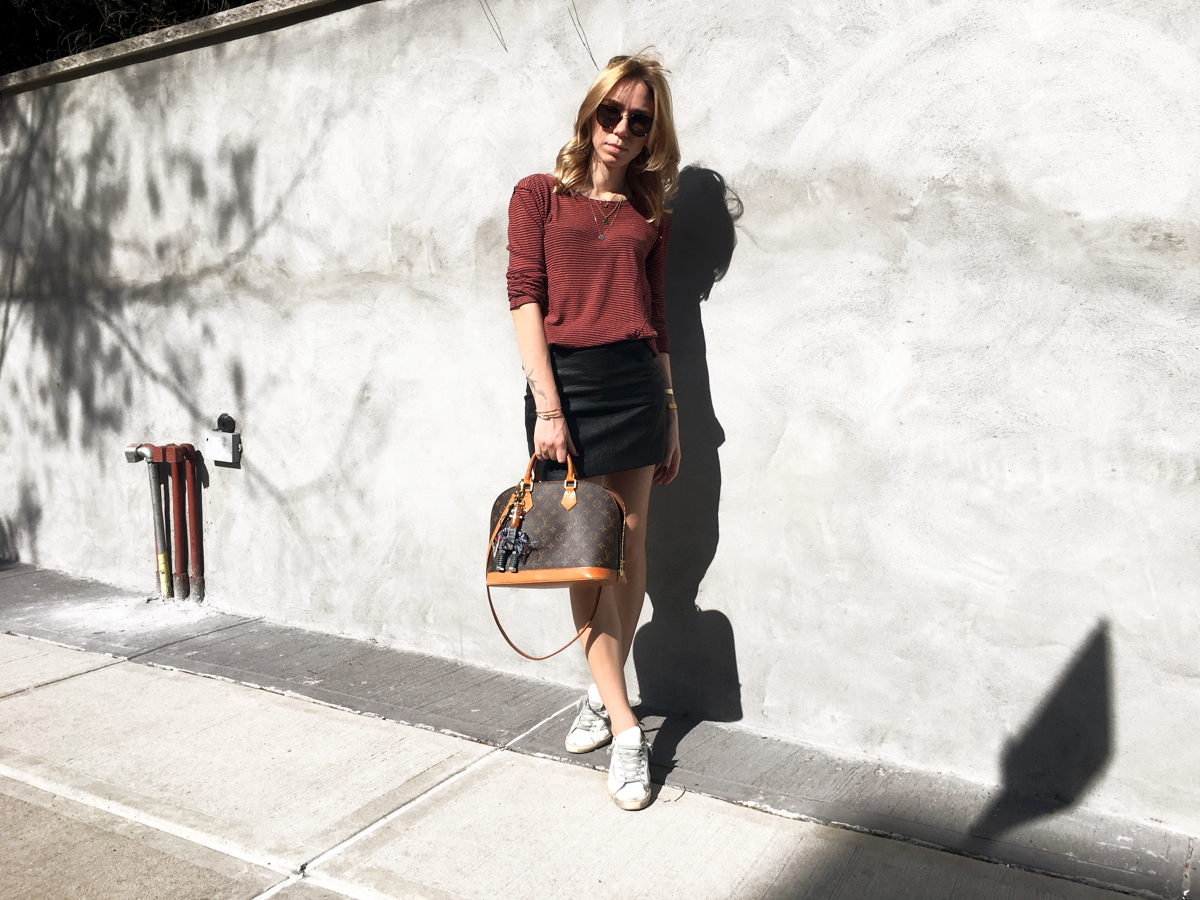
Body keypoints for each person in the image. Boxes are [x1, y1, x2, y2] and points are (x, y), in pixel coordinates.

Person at [506, 52, 681, 810]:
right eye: (612, 112)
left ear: (651, 134)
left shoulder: (650, 215)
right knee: (588, 559)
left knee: (630, 547)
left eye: (639, 121)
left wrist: (672, 411)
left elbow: (660, 319)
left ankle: (601, 695)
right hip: (567, 391)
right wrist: (548, 408)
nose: (622, 129)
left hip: (637, 387)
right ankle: (629, 729)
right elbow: (524, 299)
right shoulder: (539, 195)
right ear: (591, 112)